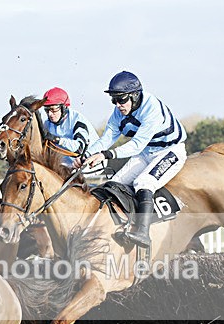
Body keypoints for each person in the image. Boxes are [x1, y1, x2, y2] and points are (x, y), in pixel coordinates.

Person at [76, 71, 187, 247]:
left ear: (135, 96)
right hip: (146, 154)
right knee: (114, 183)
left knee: (144, 182)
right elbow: (106, 139)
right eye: (114, 100)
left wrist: (106, 155)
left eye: (121, 99)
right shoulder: (118, 112)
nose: (118, 104)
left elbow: (137, 145)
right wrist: (86, 155)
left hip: (169, 151)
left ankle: (143, 233)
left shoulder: (151, 108)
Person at [40, 87, 102, 172]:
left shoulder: (78, 120)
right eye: (47, 110)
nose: (50, 114)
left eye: (53, 109)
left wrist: (56, 139)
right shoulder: (47, 123)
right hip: (68, 165)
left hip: (90, 164)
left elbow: (80, 149)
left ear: (64, 107)